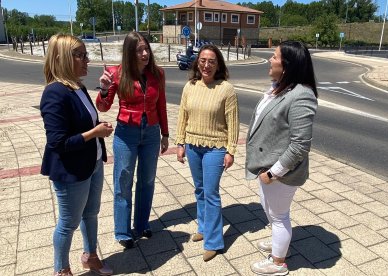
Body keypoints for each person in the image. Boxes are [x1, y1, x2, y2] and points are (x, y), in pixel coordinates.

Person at [40, 34, 114, 276]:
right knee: (68, 224)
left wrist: (96, 128)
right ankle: (61, 270)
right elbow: (57, 143)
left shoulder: (78, 87)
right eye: (80, 55)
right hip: (71, 171)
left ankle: (90, 256)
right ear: (62, 58)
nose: (86, 60)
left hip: (91, 163)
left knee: (91, 213)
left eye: (86, 55)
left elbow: (85, 122)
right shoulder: (54, 93)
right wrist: (94, 132)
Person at [245, 41, 318, 276]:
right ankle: (279, 243)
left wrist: (273, 173)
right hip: (265, 165)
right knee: (270, 210)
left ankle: (278, 263)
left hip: (280, 172)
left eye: (274, 57)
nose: (269, 60)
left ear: (286, 65)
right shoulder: (279, 87)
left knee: (279, 215)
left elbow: (300, 146)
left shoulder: (301, 95)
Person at [96, 31, 169, 249]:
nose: (145, 54)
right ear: (130, 52)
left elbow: (161, 105)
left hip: (151, 133)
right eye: (139, 50)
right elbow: (103, 107)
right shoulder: (116, 74)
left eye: (147, 49)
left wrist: (165, 134)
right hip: (126, 133)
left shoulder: (158, 74)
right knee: (123, 182)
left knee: (147, 180)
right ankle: (122, 231)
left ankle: (141, 223)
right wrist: (104, 89)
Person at [175, 44, 240, 262]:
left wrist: (231, 150)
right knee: (200, 190)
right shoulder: (190, 86)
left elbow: (233, 122)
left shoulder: (226, 89)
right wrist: (180, 143)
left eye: (212, 61)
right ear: (197, 62)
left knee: (211, 193)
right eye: (203, 60)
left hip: (216, 148)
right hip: (193, 145)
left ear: (218, 64)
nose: (207, 65)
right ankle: (203, 227)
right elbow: (182, 116)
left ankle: (213, 242)